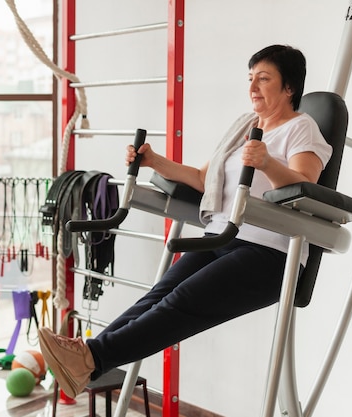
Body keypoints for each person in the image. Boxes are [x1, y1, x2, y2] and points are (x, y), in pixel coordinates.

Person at [38, 44, 333, 399]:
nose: (253, 86)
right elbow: (200, 178)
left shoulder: (301, 128)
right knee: (158, 296)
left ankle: (89, 358)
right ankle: (87, 358)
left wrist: (268, 163)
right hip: (222, 236)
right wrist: (153, 161)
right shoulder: (246, 128)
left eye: (264, 78)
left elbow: (306, 185)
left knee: (182, 301)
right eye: (250, 78)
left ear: (289, 88)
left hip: (269, 253)